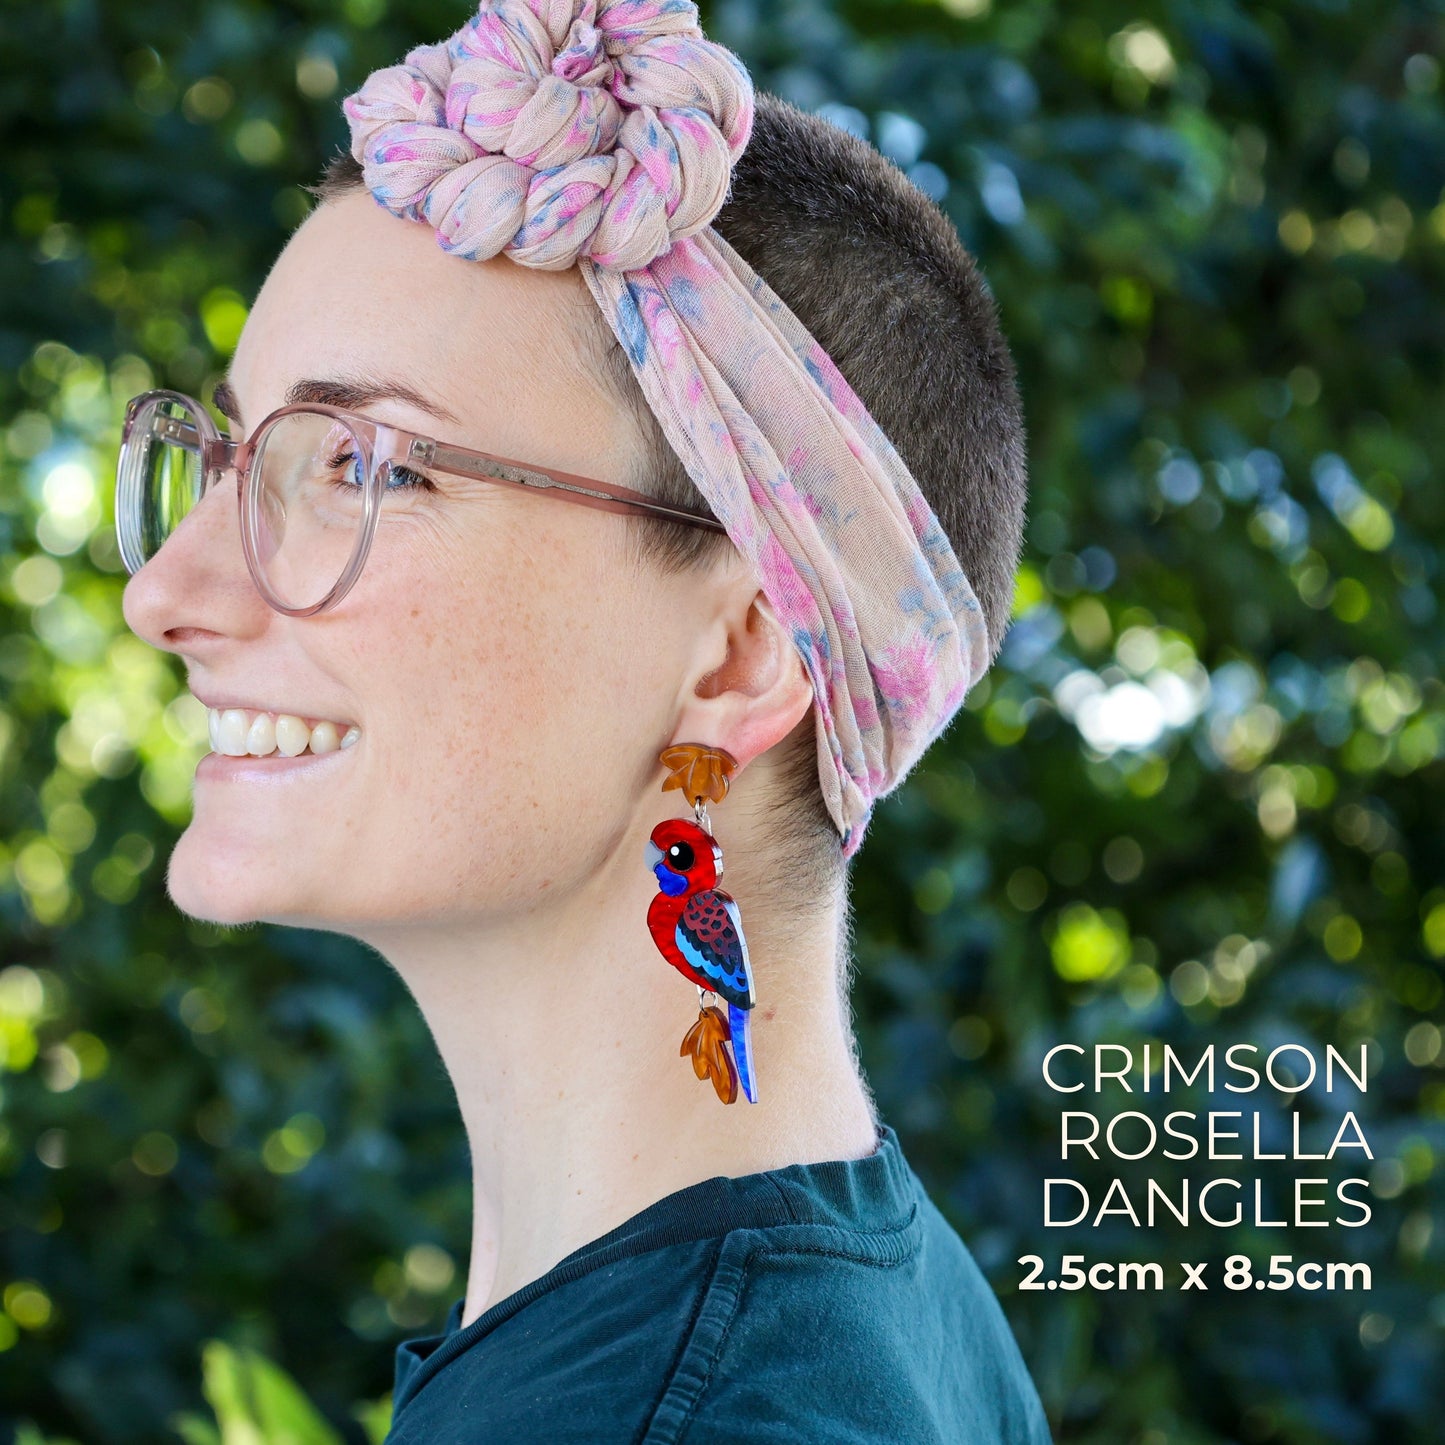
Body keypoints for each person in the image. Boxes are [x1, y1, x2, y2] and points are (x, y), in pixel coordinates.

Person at [116, 1, 1045, 1439]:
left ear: (740, 653)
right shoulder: (888, 1306)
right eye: (239, 450)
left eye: (369, 467)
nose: (166, 593)